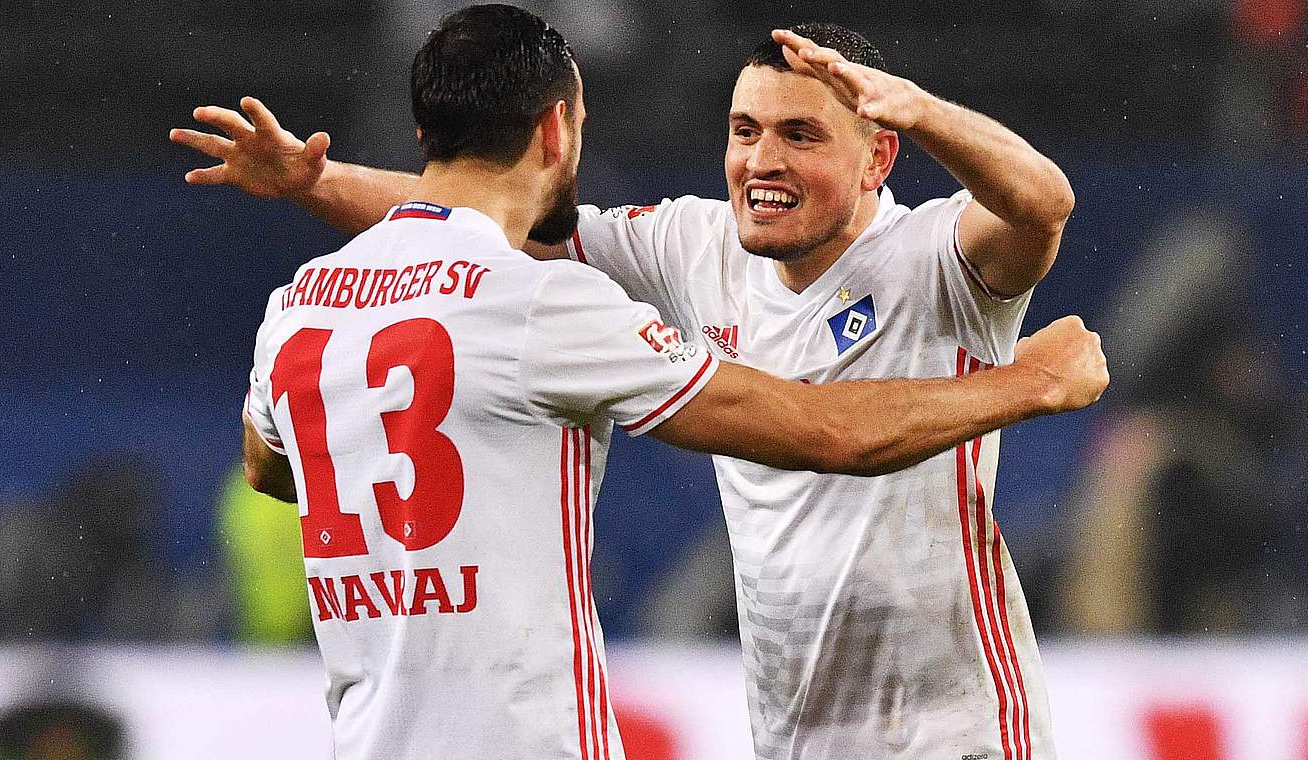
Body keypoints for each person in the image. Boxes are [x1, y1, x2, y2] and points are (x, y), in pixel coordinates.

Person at [175, 16, 1100, 760]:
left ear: (878, 158)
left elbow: (1042, 203)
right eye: (745, 132)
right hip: (792, 727)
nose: (762, 161)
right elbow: (487, 224)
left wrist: (927, 111)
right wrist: (319, 179)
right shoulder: (689, 246)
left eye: (801, 135)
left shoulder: (935, 255)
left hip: (952, 725)